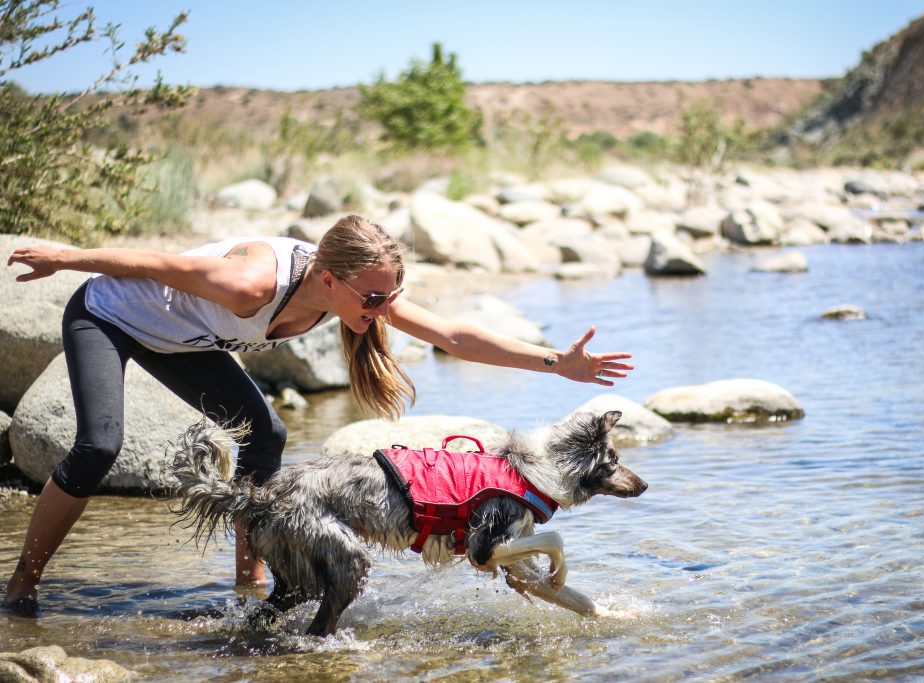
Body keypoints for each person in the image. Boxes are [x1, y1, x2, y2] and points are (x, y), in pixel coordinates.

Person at [3, 214, 634, 617]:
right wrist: (67, 255)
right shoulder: (253, 283)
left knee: (267, 436)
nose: (383, 307)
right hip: (108, 315)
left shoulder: (357, 288)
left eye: (390, 294)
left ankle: (251, 582)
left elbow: (456, 337)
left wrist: (558, 362)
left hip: (183, 342)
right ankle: (22, 584)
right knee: (99, 445)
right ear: (328, 281)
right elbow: (156, 263)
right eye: (373, 297)